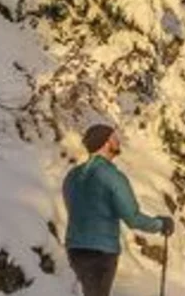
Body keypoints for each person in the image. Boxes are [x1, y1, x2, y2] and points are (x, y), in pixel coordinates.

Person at [63, 124, 174, 296]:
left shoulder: (72, 176)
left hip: (75, 249)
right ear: (106, 143)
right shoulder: (112, 176)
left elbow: (72, 207)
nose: (118, 141)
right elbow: (133, 218)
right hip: (101, 252)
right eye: (114, 138)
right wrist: (160, 224)